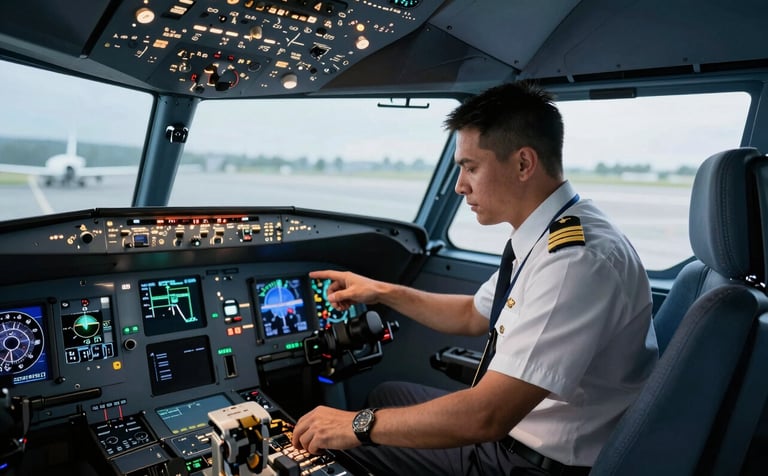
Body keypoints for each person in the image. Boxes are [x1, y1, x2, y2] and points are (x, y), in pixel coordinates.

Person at [292, 81, 659, 475]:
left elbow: (487, 416)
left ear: (523, 164)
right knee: (387, 394)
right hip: (519, 438)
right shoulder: (549, 233)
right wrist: (381, 291)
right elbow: (471, 313)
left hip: (527, 463)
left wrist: (355, 426)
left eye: (471, 167)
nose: (459, 185)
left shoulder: (573, 262)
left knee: (338, 446)